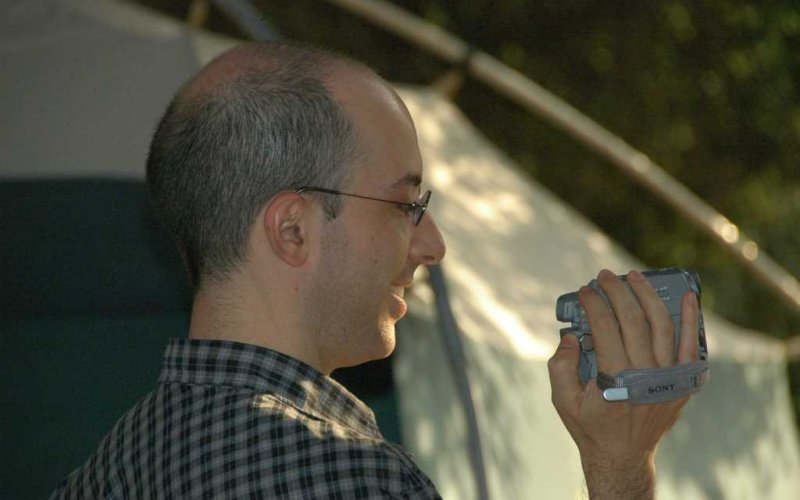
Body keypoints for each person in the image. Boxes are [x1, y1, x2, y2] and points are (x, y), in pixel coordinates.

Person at [51, 41, 700, 499]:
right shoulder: (337, 473)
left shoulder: (118, 460)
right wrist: (621, 472)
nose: (433, 245)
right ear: (293, 230)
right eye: (404, 205)